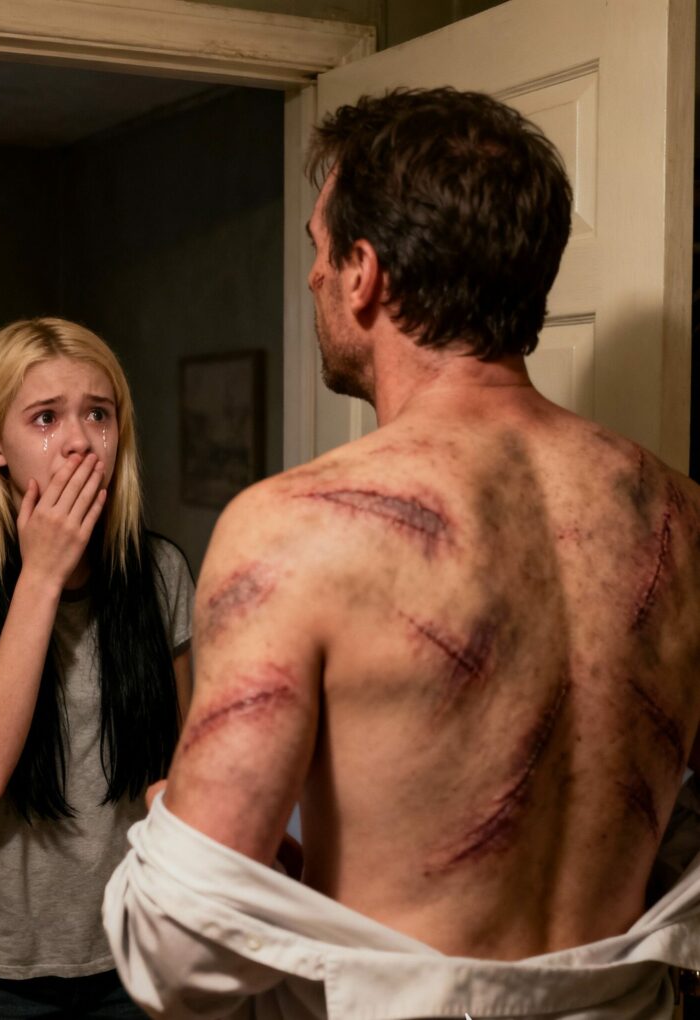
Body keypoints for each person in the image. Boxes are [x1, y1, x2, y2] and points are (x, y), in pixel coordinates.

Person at [102, 88, 700, 1019]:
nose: (310, 276)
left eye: (319, 246)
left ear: (364, 273)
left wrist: (170, 829)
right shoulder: (682, 519)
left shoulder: (293, 527)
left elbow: (177, 956)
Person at [0, 317, 194, 1018]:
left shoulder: (161, 572)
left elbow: (179, 771)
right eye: (46, 418)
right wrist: (42, 576)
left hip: (138, 951)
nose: (80, 440)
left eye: (99, 414)